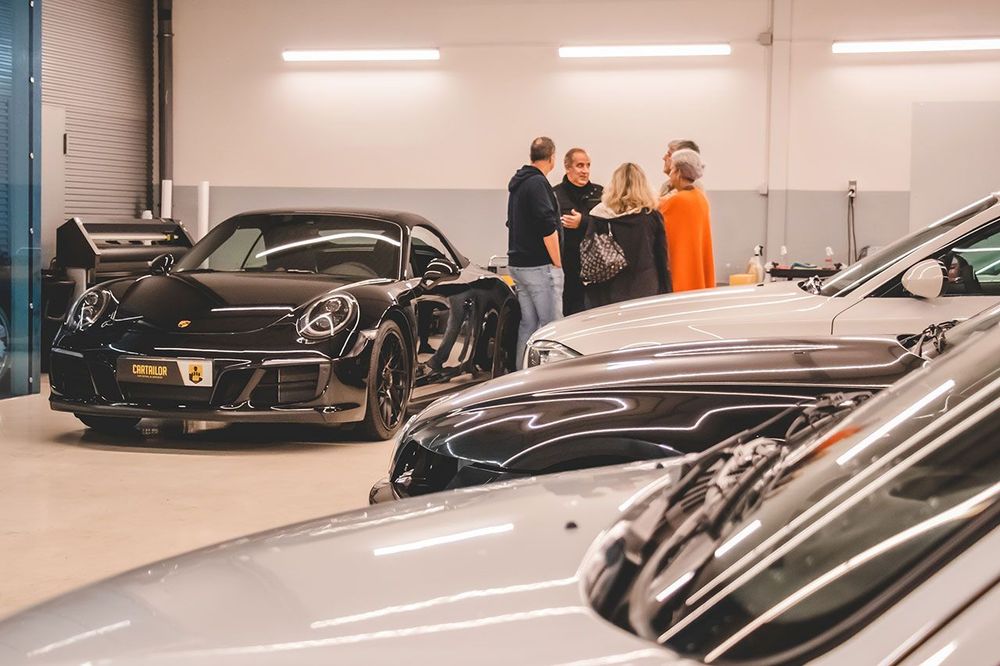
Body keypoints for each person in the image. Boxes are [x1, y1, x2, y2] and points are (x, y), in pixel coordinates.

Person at [506, 136, 563, 368]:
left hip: (519, 264)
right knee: (552, 327)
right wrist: (557, 263)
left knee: (528, 325)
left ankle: (522, 373)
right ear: (552, 157)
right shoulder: (538, 183)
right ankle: (551, 377)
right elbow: (547, 226)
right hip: (539, 266)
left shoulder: (519, 184)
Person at [583, 163, 670, 309]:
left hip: (609, 286)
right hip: (645, 284)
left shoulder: (599, 215)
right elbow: (661, 254)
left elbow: (589, 252)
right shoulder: (651, 216)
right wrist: (666, 288)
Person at [553, 148, 604, 316]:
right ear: (568, 167)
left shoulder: (600, 193)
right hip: (567, 267)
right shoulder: (555, 194)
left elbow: (608, 225)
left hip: (596, 267)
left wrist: (583, 222)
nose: (585, 171)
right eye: (580, 165)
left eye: (588, 165)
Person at [658, 148, 715, 292]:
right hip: (697, 273)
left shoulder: (677, 201)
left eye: (671, 169)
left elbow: (662, 238)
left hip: (682, 275)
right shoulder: (700, 197)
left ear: (678, 172)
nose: (670, 174)